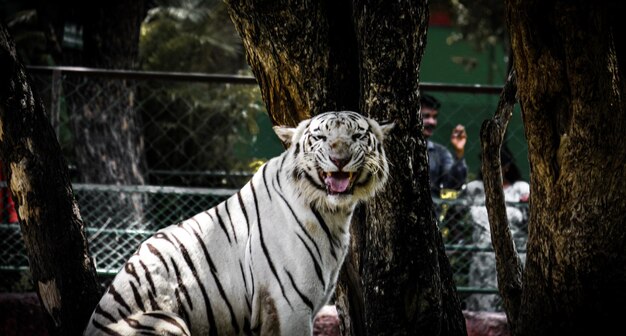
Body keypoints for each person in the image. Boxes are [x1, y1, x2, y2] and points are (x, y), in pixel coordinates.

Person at [464, 144, 529, 312]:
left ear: (506, 167)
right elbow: (456, 216)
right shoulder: (475, 189)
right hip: (482, 260)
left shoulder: (520, 190)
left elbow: (529, 223)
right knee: (482, 306)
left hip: (514, 258)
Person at [420, 94, 468, 198]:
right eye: (426, 116)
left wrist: (459, 152)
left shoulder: (440, 152)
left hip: (430, 211)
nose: (432, 122)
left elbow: (453, 185)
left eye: (435, 117)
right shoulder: (397, 148)